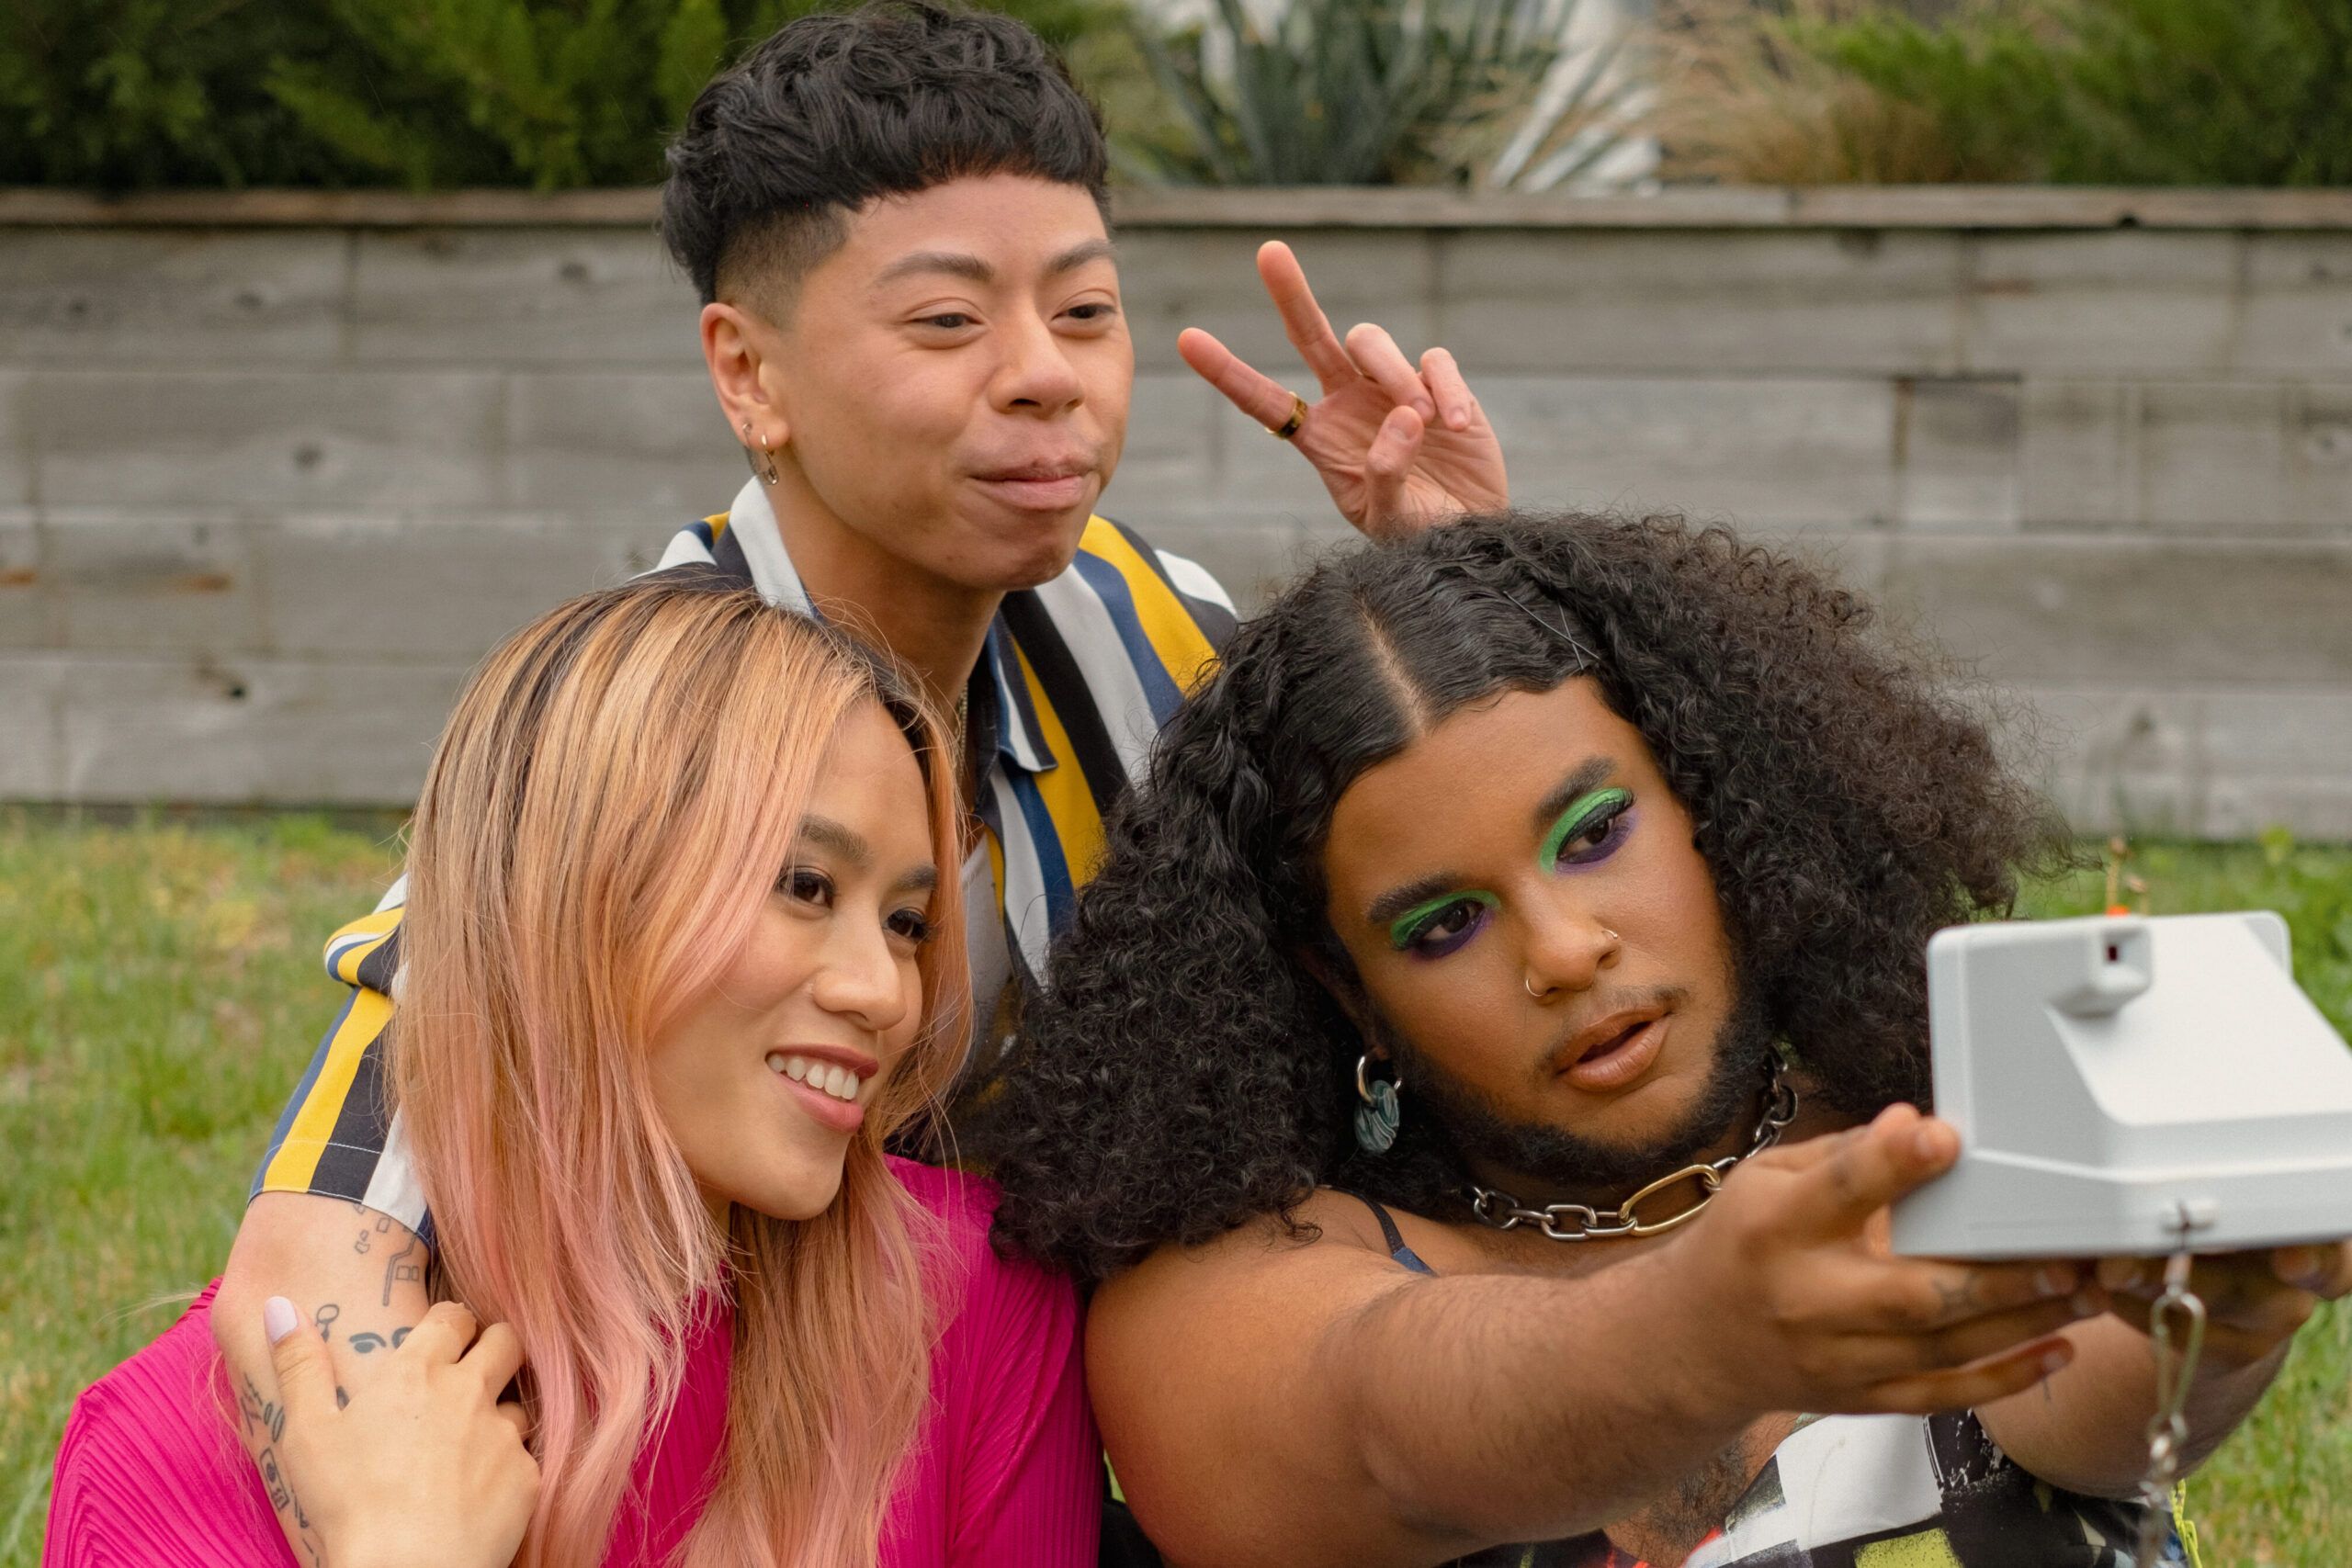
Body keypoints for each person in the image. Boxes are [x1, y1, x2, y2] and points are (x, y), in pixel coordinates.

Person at [209, 3, 1505, 1555]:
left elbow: (1497, 905)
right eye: (947, 323)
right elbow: (323, 1237)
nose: (1043, 378)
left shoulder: (1144, 624)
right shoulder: (630, 721)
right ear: (748, 374)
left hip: (1054, 1431)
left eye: (1085, 313)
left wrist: (1459, 575)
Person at [984, 513, 2352, 1568]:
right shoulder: (1231, 1291)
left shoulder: (1949, 1123)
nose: (1566, 947)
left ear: (1720, 802)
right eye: (1445, 923)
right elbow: (1381, 1426)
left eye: (1597, 836)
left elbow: (2082, 1396)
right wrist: (1701, 1330)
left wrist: (2223, 1317)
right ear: (1346, 993)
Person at [51, 572, 1101, 1568]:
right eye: (805, 886)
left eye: (909, 922)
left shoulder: (978, 1303)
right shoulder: (164, 1448)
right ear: (578, 898)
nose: (883, 991)